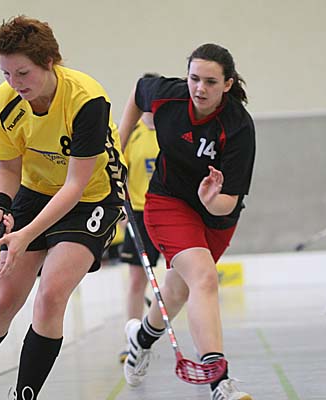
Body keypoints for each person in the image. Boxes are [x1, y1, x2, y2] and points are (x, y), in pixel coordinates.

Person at [0, 15, 126, 400]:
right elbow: (9, 168)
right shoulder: (4, 102)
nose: (15, 83)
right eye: (6, 73)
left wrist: (26, 235)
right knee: (3, 299)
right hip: (36, 189)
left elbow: (75, 186)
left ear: (49, 62)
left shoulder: (86, 100)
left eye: (23, 73)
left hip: (91, 197)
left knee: (50, 296)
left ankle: (24, 395)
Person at [118, 43, 255, 400]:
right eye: (194, 78)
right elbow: (137, 93)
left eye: (210, 82)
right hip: (169, 202)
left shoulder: (238, 127)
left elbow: (229, 202)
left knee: (179, 290)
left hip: (217, 216)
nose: (199, 88)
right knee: (204, 278)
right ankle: (218, 380)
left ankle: (140, 339)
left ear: (227, 84)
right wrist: (118, 148)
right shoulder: (169, 95)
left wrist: (211, 200)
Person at [117, 86, 161, 362]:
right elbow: (117, 173)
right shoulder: (132, 133)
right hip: (139, 214)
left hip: (168, 213)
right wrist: (121, 212)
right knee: (136, 280)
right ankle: (131, 340)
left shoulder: (169, 130)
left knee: (182, 279)